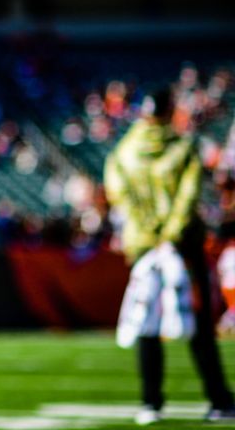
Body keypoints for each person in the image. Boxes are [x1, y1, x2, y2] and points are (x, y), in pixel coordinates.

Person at [105, 87, 235, 425]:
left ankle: (151, 402)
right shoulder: (182, 147)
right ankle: (218, 399)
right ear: (169, 110)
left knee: (147, 320)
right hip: (182, 246)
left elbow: (118, 195)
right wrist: (170, 235)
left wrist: (149, 233)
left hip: (143, 246)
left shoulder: (124, 151)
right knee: (199, 320)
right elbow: (188, 196)